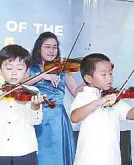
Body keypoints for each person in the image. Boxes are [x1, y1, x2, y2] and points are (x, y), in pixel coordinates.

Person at [70, 53, 134, 165]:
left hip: (111, 159)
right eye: (103, 74)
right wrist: (99, 102)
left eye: (110, 73)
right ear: (88, 78)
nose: (109, 78)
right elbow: (74, 117)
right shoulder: (84, 96)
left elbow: (131, 115)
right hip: (88, 159)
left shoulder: (113, 97)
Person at [26, 32, 83, 165]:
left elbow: (75, 91)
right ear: (39, 47)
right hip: (37, 117)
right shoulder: (31, 68)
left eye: (55, 47)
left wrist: (88, 79)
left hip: (58, 119)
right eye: (47, 47)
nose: (52, 51)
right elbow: (21, 84)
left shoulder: (63, 68)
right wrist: (42, 76)